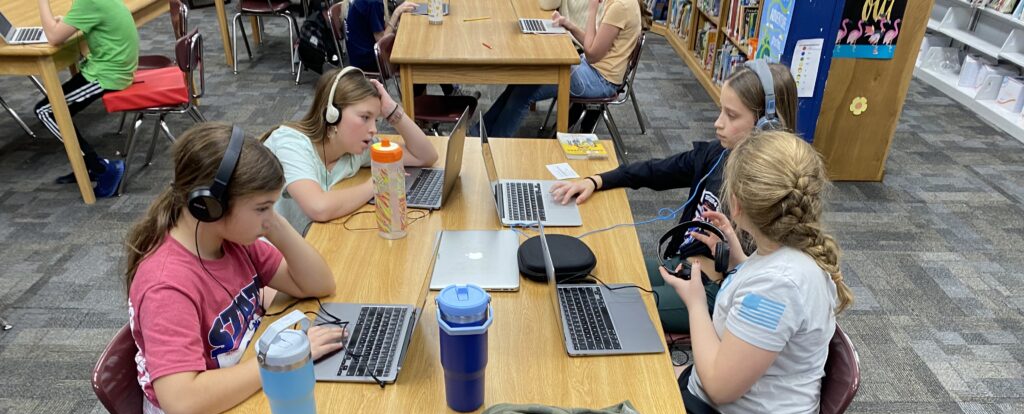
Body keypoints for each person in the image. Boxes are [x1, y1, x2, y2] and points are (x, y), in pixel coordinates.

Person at [125, 122, 345, 414]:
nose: (270, 216)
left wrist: (272, 221)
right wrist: (281, 358)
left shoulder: (229, 244)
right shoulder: (168, 283)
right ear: (209, 205)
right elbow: (182, 404)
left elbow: (318, 283)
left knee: (346, 410)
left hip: (239, 402)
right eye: (263, 207)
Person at [659, 131, 854, 414]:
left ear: (735, 203)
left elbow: (719, 388)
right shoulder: (784, 257)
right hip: (736, 410)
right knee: (627, 381)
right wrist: (739, 261)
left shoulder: (778, 286)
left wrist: (697, 303)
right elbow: (765, 304)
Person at [550, 61, 798, 335]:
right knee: (595, 275)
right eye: (720, 111)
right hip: (681, 264)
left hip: (711, 291)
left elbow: (768, 281)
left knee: (607, 308)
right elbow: (656, 171)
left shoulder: (772, 191)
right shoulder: (716, 155)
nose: (718, 123)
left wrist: (732, 262)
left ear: (767, 126)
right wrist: (596, 180)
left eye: (731, 115)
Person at [262, 67, 438, 236]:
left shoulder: (356, 149)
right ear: (332, 114)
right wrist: (377, 183)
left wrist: (392, 111)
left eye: (376, 119)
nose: (374, 129)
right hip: (262, 256)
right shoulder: (291, 143)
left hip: (311, 242)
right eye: (365, 117)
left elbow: (424, 156)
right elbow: (318, 208)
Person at [479, 0, 647, 138]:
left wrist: (592, 9)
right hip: (591, 68)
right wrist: (569, 25)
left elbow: (592, 54)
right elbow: (594, 44)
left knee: (527, 88)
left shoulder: (620, 6)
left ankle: (495, 146)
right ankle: (480, 133)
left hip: (601, 80)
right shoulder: (616, 3)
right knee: (523, 80)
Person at [35, 0, 138, 196]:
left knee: (46, 111)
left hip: (108, 74)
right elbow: (96, 16)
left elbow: (53, 38)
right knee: (61, 112)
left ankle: (100, 168)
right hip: (118, 67)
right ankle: (84, 165)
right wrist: (68, 22)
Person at [345, 0, 416, 72]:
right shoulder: (374, 2)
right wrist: (397, 13)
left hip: (359, 56)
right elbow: (381, 42)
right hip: (367, 60)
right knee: (413, 60)